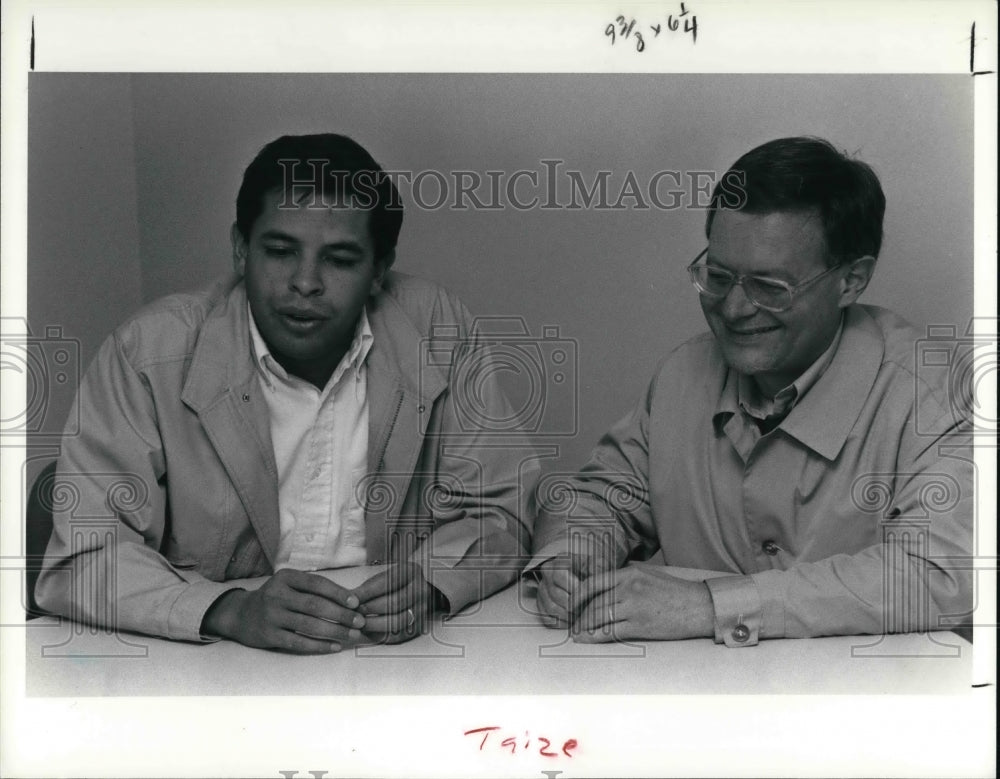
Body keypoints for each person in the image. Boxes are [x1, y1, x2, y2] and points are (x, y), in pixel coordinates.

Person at [36, 133, 537, 653]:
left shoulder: (440, 330)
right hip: (212, 667)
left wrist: (433, 581)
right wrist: (227, 609)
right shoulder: (146, 352)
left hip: (398, 659)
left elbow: (501, 511)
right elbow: (84, 559)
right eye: (279, 251)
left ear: (378, 272)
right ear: (240, 248)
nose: (305, 283)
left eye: (340, 259)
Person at [530, 136, 973, 647]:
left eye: (769, 287)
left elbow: (939, 574)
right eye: (717, 276)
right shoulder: (682, 374)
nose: (734, 309)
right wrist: (571, 557)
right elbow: (601, 497)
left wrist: (709, 606)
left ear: (852, 281)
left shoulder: (936, 395)